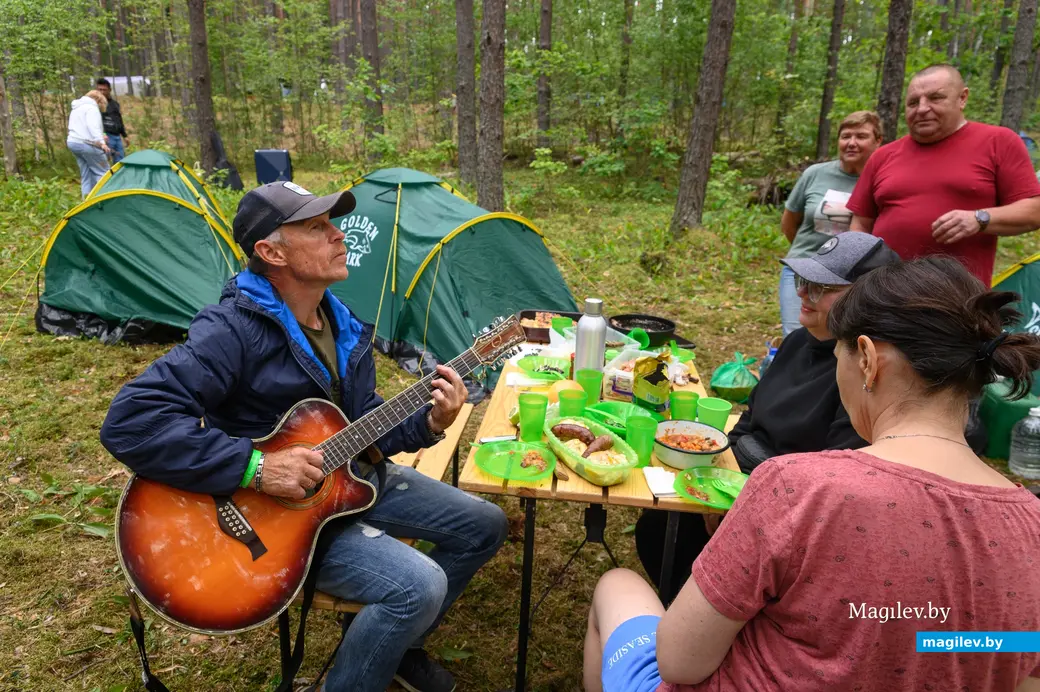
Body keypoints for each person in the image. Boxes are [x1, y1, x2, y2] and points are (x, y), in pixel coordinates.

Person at [100, 182, 508, 692]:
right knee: (417, 586)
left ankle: (391, 647)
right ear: (271, 252)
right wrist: (258, 468)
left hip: (349, 482)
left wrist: (429, 422)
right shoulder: (232, 330)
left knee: (486, 524)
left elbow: (360, 422)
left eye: (333, 224)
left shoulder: (343, 323)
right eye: (317, 227)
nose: (339, 236)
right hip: (263, 520)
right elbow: (132, 421)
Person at [586, 256, 1040, 692]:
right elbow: (1016, 668)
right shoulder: (1033, 526)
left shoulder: (798, 487)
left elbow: (679, 661)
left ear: (866, 358)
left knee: (616, 585)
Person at [635, 232, 899, 593]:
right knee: (660, 526)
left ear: (867, 300)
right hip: (741, 481)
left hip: (785, 511)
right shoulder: (795, 343)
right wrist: (718, 487)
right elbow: (749, 420)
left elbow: (832, 478)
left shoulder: (863, 376)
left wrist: (744, 507)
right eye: (803, 281)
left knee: (681, 547)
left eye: (821, 287)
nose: (802, 294)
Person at [848, 64, 1040, 285]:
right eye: (913, 102)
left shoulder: (998, 142)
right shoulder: (883, 156)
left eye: (935, 98)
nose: (922, 108)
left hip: (956, 300)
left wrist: (979, 219)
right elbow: (861, 223)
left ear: (962, 98)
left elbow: (1034, 211)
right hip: (884, 296)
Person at [779, 111, 882, 335]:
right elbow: (789, 222)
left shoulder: (882, 179)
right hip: (803, 267)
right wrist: (810, 253)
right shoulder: (815, 174)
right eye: (846, 136)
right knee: (796, 334)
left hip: (852, 278)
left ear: (878, 141)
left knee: (842, 337)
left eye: (861, 136)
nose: (851, 143)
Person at [66, 90, 110, 198]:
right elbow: (92, 126)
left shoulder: (76, 108)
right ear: (99, 100)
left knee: (86, 174)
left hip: (73, 142)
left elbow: (82, 128)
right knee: (103, 172)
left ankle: (85, 201)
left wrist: (100, 136)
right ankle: (105, 199)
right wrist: (102, 143)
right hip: (87, 145)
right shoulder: (92, 108)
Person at [95, 78, 129, 164]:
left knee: (120, 162)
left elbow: (119, 120)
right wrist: (102, 135)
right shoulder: (94, 104)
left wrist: (124, 135)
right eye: (100, 89)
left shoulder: (114, 104)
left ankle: (118, 177)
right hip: (105, 137)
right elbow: (94, 123)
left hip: (117, 137)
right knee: (104, 162)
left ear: (109, 90)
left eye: (104, 90)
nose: (102, 92)